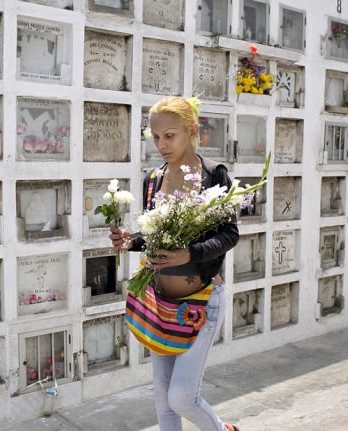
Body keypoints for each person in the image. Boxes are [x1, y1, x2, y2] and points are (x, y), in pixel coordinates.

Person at [109, 96, 241, 431]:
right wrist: (131, 241)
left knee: (182, 397)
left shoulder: (214, 176)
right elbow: (156, 236)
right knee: (163, 401)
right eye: (155, 137)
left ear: (192, 130)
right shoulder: (153, 178)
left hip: (201, 301)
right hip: (159, 302)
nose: (161, 144)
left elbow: (230, 234)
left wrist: (191, 255)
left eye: (170, 135)